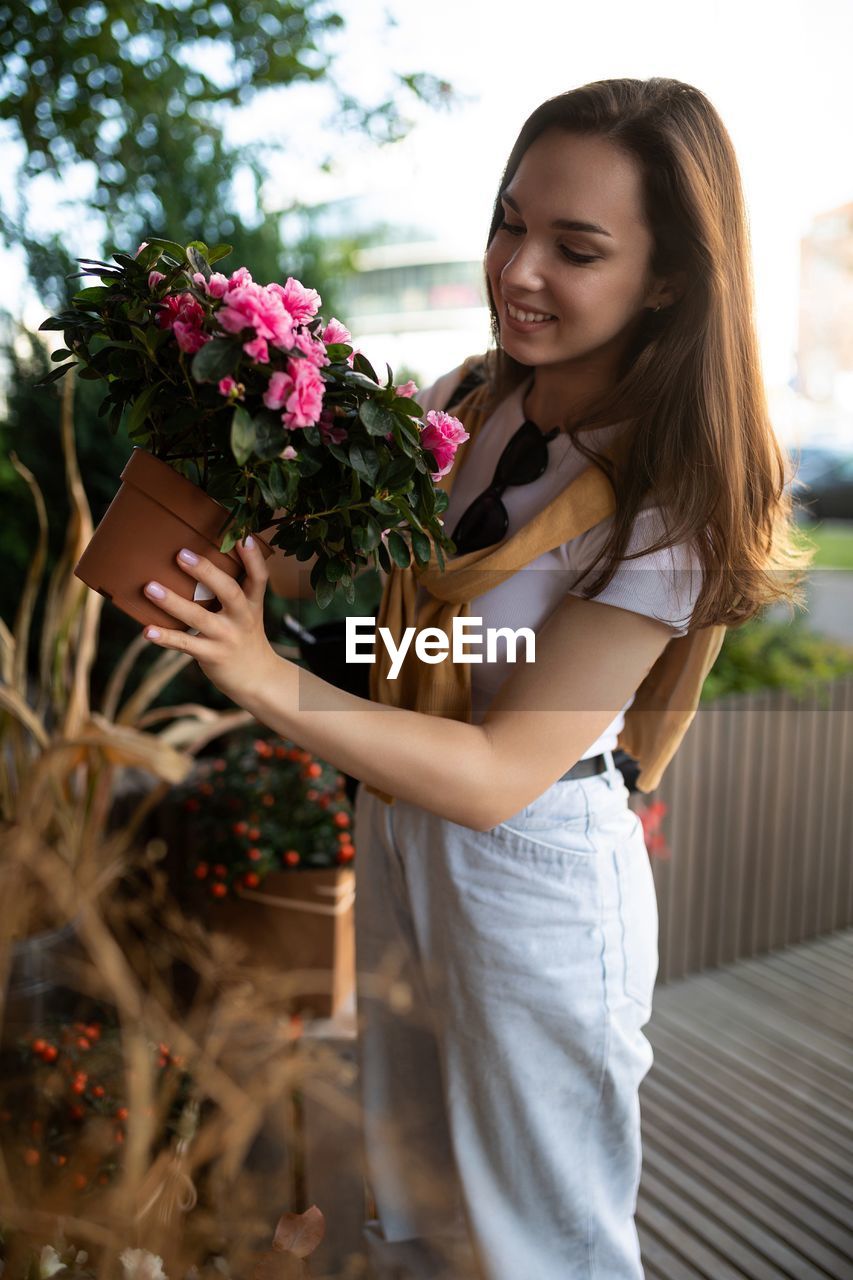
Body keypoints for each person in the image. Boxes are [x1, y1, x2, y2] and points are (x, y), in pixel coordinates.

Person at [140, 77, 811, 1279]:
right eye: (511, 222)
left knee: (536, 1243)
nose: (519, 268)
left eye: (576, 247)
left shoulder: (669, 498)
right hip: (405, 838)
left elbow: (504, 768)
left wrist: (261, 679)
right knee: (410, 1215)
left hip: (536, 877)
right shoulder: (469, 400)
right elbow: (326, 578)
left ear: (666, 277)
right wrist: (224, 470)